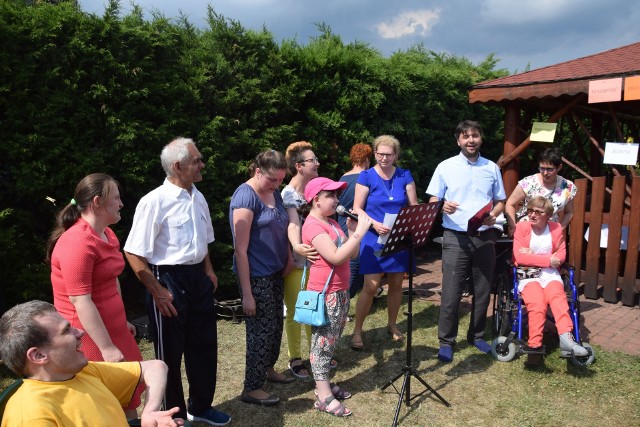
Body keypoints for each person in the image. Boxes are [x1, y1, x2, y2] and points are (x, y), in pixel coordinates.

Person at [124, 137, 230, 426]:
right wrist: (157, 291)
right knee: (169, 353)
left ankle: (201, 406)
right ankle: (175, 416)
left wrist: (208, 270)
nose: (202, 164)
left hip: (198, 278)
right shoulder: (154, 201)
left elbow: (204, 240)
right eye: (197, 160)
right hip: (166, 280)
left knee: (204, 344)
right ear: (178, 165)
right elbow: (133, 252)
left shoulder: (199, 196)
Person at [45, 173, 144, 419]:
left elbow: (111, 281)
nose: (121, 203)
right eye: (117, 198)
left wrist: (122, 322)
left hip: (114, 328)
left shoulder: (108, 234)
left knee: (125, 390)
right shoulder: (76, 243)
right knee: (102, 401)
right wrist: (106, 347)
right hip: (88, 335)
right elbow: (81, 301)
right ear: (98, 202)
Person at [0, 300, 183, 427]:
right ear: (38, 355)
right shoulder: (31, 417)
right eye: (66, 331)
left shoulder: (81, 372)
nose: (80, 332)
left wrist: (149, 411)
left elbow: (156, 367)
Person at [426, 120, 506, 363]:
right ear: (458, 140)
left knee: (482, 291)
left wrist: (494, 215)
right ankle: (446, 342)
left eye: (475, 135)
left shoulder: (491, 167)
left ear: (481, 138)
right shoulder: (445, 167)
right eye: (465, 136)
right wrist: (442, 206)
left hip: (484, 238)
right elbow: (432, 200)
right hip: (455, 238)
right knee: (451, 292)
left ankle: (477, 335)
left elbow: (500, 199)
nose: (470, 140)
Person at [302, 177, 372, 417]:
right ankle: (323, 396)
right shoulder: (312, 225)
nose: (336, 200)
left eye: (336, 195)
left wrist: (353, 231)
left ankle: (323, 383)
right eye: (330, 195)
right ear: (315, 200)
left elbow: (351, 255)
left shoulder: (331, 222)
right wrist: (358, 233)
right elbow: (334, 257)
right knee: (322, 344)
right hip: (325, 293)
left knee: (332, 339)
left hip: (339, 290)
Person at [229, 149, 294, 407]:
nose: (277, 184)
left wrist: (288, 256)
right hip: (256, 276)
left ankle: (268, 370)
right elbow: (240, 249)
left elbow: (281, 227)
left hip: (275, 271)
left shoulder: (274, 192)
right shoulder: (245, 197)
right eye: (272, 179)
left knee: (275, 325)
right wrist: (247, 293)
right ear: (257, 171)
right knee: (260, 332)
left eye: (281, 179)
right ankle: (252, 387)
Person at [351, 135, 419, 350]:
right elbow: (357, 208)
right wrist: (374, 224)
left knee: (397, 284)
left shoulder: (405, 175)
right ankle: (357, 330)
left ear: (396, 155)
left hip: (398, 237)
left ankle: (392, 325)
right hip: (373, 237)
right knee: (370, 286)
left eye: (388, 154)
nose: (383, 158)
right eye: (380, 153)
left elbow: (413, 206)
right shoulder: (366, 176)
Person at [512, 196, 588, 366]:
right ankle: (534, 345)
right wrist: (547, 259)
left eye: (537, 212)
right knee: (537, 303)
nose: (532, 214)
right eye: (530, 210)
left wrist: (533, 256)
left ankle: (567, 339)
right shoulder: (522, 227)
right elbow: (519, 256)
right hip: (529, 274)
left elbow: (561, 255)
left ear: (547, 215)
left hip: (551, 275)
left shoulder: (555, 228)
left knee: (558, 299)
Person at [281, 141, 320, 379]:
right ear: (299, 166)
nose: (317, 163)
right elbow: (293, 224)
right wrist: (297, 247)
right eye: (312, 160)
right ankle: (295, 357)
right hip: (296, 262)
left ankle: (315, 353)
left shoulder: (314, 189)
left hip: (316, 261)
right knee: (297, 311)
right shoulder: (287, 195)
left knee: (313, 308)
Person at [504, 147, 578, 237]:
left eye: (550, 169)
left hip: (551, 232)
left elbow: (569, 212)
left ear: (559, 167)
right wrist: (514, 226)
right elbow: (510, 203)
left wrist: (559, 230)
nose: (545, 173)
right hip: (526, 230)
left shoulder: (568, 186)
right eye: (542, 168)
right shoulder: (529, 182)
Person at [337, 143, 372, 299]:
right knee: (355, 263)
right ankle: (345, 297)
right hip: (356, 224)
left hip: (342, 223)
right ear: (366, 159)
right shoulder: (365, 178)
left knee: (351, 260)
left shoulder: (343, 177)